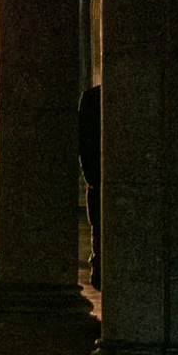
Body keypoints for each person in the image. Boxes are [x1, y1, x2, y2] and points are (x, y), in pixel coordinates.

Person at [79, 83, 101, 289]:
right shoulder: (93, 99)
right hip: (98, 184)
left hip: (97, 184)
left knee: (99, 233)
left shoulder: (92, 98)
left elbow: (84, 144)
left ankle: (100, 269)